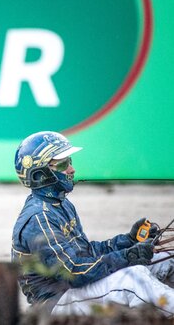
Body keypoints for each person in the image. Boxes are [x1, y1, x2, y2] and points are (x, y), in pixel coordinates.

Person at [11, 131, 174, 316]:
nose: (71, 169)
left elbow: (86, 253)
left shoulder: (61, 204)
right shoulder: (39, 218)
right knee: (133, 279)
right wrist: (128, 256)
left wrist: (128, 241)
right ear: (41, 174)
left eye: (70, 161)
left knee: (164, 259)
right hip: (54, 303)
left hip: (75, 290)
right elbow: (74, 272)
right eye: (63, 164)